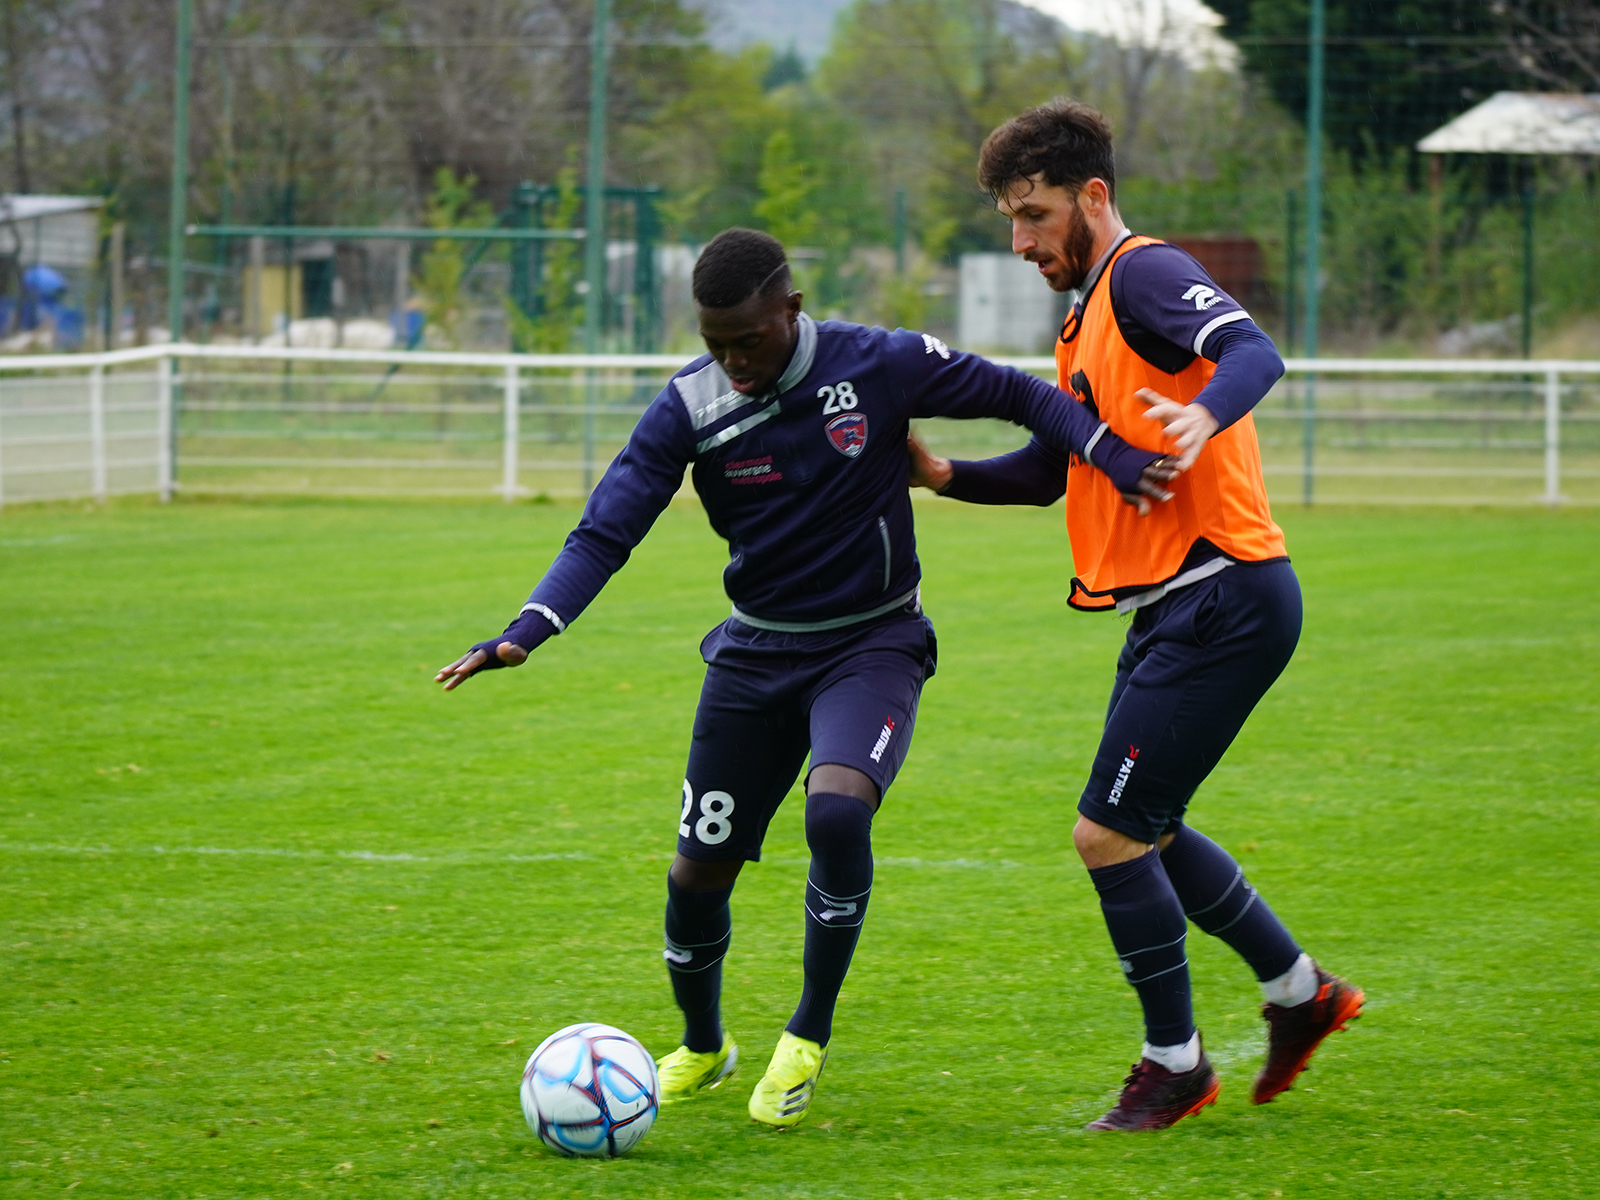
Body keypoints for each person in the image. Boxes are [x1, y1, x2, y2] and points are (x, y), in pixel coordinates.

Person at [436, 227, 1171, 1128]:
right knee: (696, 874)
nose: (733, 360)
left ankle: (806, 1035)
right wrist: (527, 631)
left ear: (791, 309)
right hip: (753, 655)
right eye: (715, 344)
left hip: (873, 644)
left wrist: (1116, 456)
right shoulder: (690, 407)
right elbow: (605, 530)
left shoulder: (880, 364)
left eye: (749, 339)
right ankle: (704, 1047)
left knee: (836, 807)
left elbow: (1024, 395)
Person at [908, 100, 1363, 1132]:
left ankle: (1175, 1065)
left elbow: (1253, 352)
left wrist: (1204, 413)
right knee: (1144, 830)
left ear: (1093, 197)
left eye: (1031, 215)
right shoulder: (1082, 318)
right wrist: (939, 474)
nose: (1018, 241)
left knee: (1107, 835)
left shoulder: (1146, 276)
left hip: (1224, 596)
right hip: (1175, 609)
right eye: (1009, 222)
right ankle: (1302, 995)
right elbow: (1046, 470)